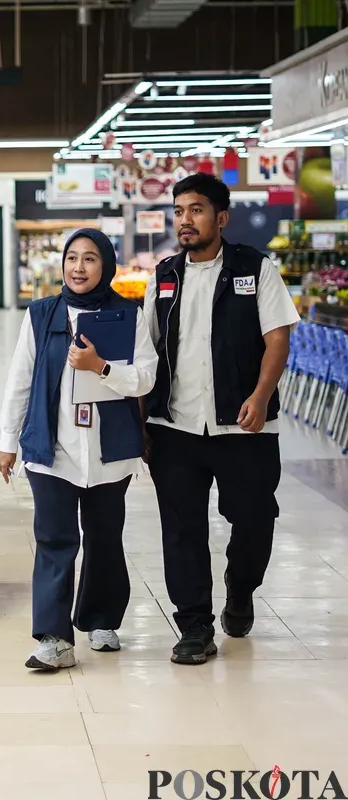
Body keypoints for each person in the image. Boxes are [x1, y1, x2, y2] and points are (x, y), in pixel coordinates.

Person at [143, 173, 300, 666]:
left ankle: (241, 585)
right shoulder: (164, 276)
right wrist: (140, 420)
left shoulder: (255, 268)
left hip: (245, 426)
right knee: (182, 529)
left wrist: (261, 395)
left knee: (255, 518)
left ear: (222, 217)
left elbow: (278, 339)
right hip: (175, 427)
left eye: (196, 210)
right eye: (179, 211)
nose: (185, 220)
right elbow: (147, 352)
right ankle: (194, 627)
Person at [0, 229, 158, 670]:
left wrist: (101, 367)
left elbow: (146, 377)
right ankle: (53, 638)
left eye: (90, 258)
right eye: (72, 258)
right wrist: (7, 441)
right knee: (54, 539)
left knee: (104, 538)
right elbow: (20, 381)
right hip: (52, 448)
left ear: (106, 265)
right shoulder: (41, 314)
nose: (79, 267)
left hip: (110, 451)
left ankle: (101, 619)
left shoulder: (128, 315)